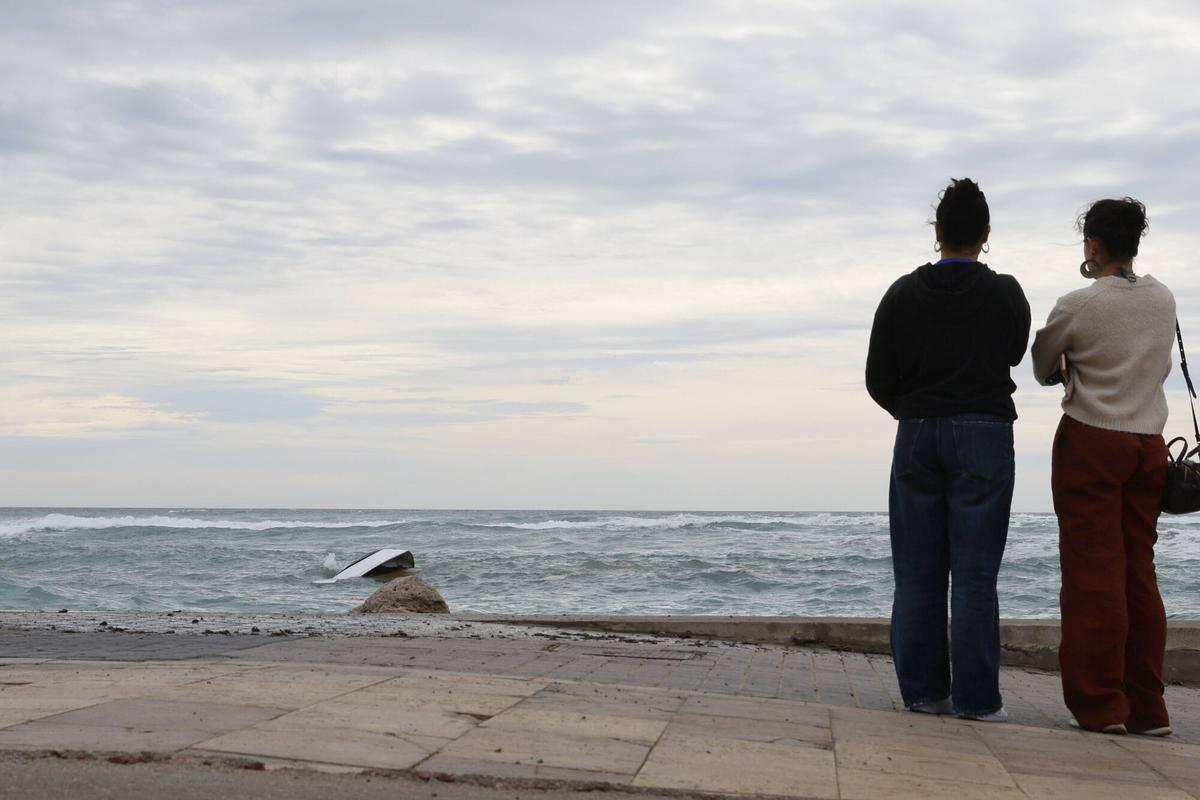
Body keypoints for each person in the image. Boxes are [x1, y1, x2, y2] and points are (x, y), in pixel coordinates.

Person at [866, 178, 1030, 721]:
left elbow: (877, 376)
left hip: (916, 431)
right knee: (976, 572)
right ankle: (978, 701)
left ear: (936, 233)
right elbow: (1012, 350)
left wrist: (910, 409)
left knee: (917, 571)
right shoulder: (1006, 292)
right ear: (986, 235)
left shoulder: (901, 293)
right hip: (983, 432)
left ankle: (923, 692)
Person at [1031, 197, 1175, 737]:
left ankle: (1100, 704)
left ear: (1093, 244)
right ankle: (1148, 708)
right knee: (1139, 569)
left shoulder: (1078, 304)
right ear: (1135, 242)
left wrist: (1069, 363)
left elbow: (1044, 361)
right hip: (1148, 443)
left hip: (1092, 439)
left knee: (1094, 574)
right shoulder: (1164, 299)